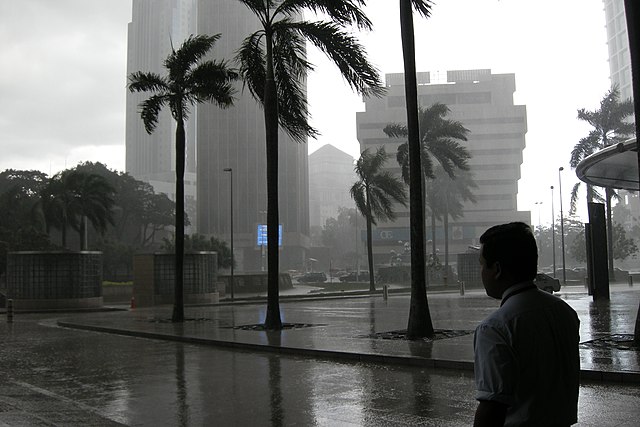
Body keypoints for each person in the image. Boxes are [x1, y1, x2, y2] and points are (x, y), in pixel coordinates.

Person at [473, 222, 580, 427]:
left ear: (497, 269)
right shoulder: (564, 312)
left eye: (481, 264)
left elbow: (492, 408)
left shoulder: (495, 328)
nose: (481, 272)